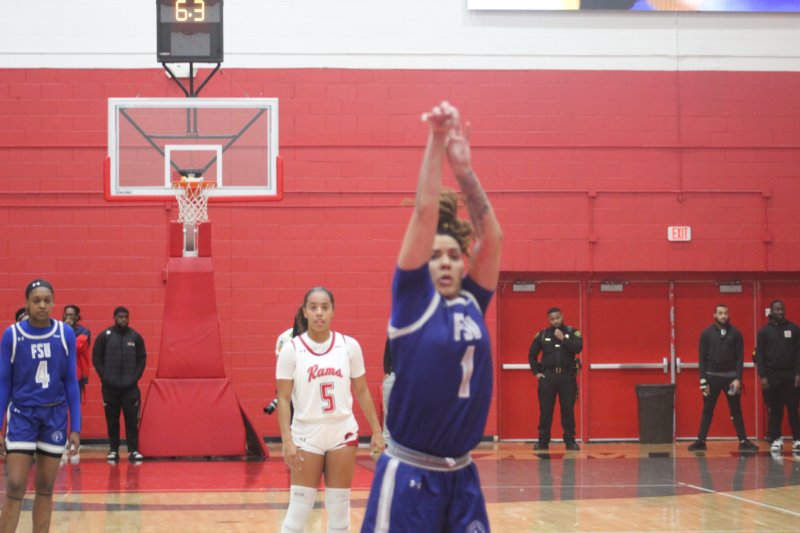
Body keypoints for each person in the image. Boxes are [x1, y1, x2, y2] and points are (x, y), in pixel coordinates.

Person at [362, 101, 503, 532]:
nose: (444, 261)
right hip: (411, 474)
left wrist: (464, 170)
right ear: (422, 263)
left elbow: (492, 237)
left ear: (463, 264)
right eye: (435, 255)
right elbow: (424, 213)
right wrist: (437, 140)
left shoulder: (472, 303)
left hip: (462, 474)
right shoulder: (412, 304)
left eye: (453, 255)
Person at [276, 287, 384, 533]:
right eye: (313, 307)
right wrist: (286, 440)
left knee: (339, 512)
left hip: (341, 433)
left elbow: (362, 390)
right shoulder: (291, 349)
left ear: (333, 311)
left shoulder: (349, 346)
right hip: (306, 434)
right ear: (305, 312)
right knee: (298, 512)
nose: (319, 313)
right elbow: (283, 398)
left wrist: (377, 431)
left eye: (325, 307)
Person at [0, 279, 81, 531]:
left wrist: (76, 427)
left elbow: (71, 382)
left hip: (54, 415)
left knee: (45, 487)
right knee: (15, 485)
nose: (42, 305)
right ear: (27, 303)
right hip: (22, 415)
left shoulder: (64, 334)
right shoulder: (12, 335)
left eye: (47, 300)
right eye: (36, 300)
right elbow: (3, 384)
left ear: (53, 302)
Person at [687, 305, 758, 452]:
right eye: (720, 313)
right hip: (711, 378)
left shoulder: (736, 333)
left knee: (736, 409)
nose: (723, 316)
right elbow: (702, 359)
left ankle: (743, 441)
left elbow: (740, 358)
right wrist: (703, 381)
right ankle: (701, 441)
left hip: (731, 379)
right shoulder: (706, 334)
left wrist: (738, 378)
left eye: (725, 313)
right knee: (707, 409)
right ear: (714, 315)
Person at [92, 306, 147, 462]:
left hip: (130, 388)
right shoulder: (105, 336)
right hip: (110, 388)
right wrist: (105, 377)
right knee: (112, 421)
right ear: (115, 318)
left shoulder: (135, 337)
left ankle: (133, 450)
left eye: (126, 317)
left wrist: (135, 377)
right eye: (120, 317)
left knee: (132, 420)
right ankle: (113, 450)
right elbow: (96, 357)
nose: (123, 319)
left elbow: (142, 358)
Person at [528, 307, 583, 451]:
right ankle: (543, 441)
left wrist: (563, 338)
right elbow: (532, 355)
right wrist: (536, 373)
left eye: (557, 318)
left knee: (568, 411)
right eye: (552, 319)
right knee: (546, 411)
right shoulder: (543, 334)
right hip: (548, 377)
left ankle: (570, 441)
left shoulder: (572, 332)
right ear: (549, 320)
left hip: (567, 377)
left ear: (562, 316)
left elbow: (578, 347)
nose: (555, 321)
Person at [755, 300, 800, 453]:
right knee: (775, 410)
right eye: (777, 309)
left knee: (793, 408)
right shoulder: (764, 331)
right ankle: (776, 438)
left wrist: (798, 373)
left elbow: (798, 353)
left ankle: (797, 439)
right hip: (771, 375)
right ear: (771, 311)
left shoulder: (793, 329)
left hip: (790, 375)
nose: (780, 312)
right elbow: (760, 355)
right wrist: (763, 376)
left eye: (782, 309)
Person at [381, 337, 394, 445]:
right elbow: (387, 354)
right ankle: (386, 439)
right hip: (393, 374)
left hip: (410, 375)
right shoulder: (393, 334)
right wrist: (386, 372)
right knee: (388, 409)